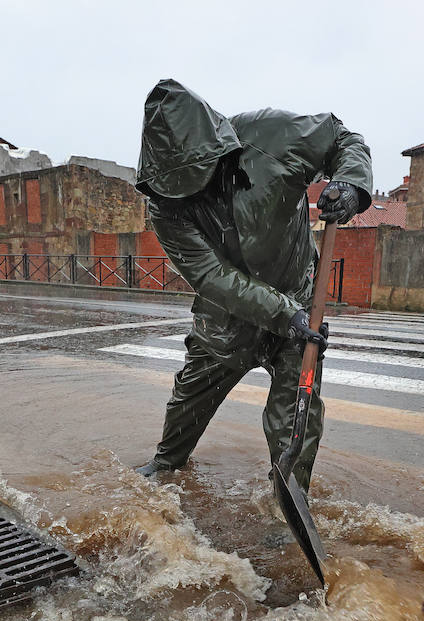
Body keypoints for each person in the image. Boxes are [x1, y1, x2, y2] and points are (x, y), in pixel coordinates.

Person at [131, 79, 372, 491]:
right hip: (226, 316)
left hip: (297, 298)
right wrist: (281, 314)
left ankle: (289, 494)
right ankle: (167, 462)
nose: (190, 191)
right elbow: (209, 275)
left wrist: (350, 181)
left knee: (297, 413)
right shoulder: (163, 204)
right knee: (189, 399)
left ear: (214, 147)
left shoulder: (272, 135)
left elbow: (341, 138)